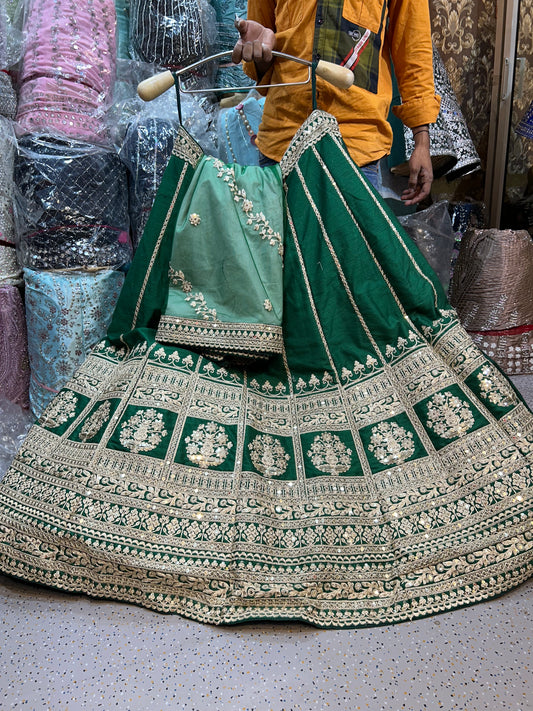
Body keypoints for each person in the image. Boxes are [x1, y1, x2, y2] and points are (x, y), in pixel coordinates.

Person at [0, 5, 531, 629]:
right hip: (278, 140)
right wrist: (254, 40)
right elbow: (258, 38)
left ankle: (345, 482)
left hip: (357, 149)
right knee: (263, 316)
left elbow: (411, 56)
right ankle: (255, 469)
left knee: (354, 316)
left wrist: (420, 139)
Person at [231, 1, 441, 205]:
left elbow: (413, 47)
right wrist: (258, 51)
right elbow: (260, 49)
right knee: (278, 240)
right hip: (283, 142)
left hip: (355, 148)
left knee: (350, 241)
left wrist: (421, 141)